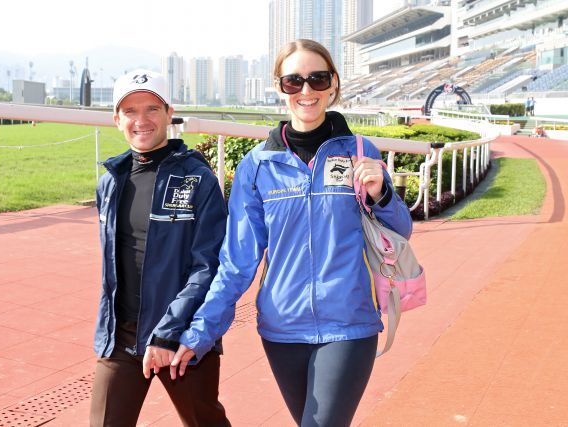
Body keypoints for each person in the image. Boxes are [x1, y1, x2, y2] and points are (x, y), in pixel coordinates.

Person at [171, 39, 413, 426]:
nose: (306, 91)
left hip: (349, 324)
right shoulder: (258, 165)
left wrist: (381, 193)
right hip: (281, 328)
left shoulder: (360, 152)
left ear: (333, 83)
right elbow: (238, 260)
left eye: (317, 79)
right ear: (279, 87)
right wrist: (201, 331)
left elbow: (400, 232)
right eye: (293, 82)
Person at [90, 69, 230, 427]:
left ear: (169, 113)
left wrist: (169, 333)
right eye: (130, 111)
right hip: (121, 337)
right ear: (116, 119)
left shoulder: (197, 179)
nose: (142, 120)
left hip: (182, 337)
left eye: (152, 109)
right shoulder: (110, 181)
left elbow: (208, 266)